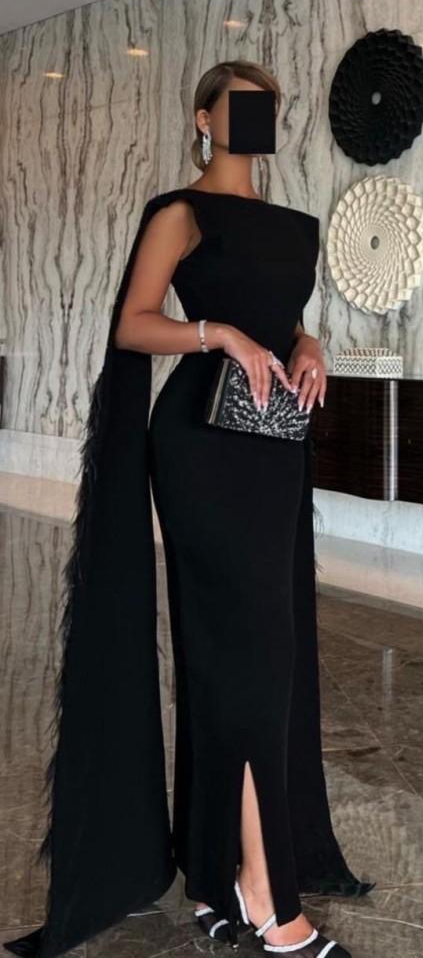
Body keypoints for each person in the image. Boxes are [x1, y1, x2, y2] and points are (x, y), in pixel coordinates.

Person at [3, 60, 372, 958]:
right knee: (247, 658)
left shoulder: (294, 226)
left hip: (273, 442)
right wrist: (218, 334)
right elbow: (133, 323)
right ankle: (265, 892)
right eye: (240, 107)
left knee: (252, 657)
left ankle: (216, 873)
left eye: (266, 110)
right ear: (204, 118)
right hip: (201, 442)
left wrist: (310, 343)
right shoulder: (181, 213)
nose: (255, 121)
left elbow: (282, 316)